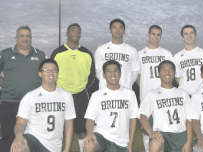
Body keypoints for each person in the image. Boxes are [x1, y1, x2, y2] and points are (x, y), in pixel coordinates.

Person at [10, 59, 76, 152]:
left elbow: (69, 123)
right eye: (47, 70)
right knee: (19, 147)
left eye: (54, 70)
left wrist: (67, 148)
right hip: (34, 139)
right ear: (40, 74)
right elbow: (20, 123)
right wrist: (19, 136)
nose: (51, 73)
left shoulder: (66, 95)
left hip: (54, 145)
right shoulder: (30, 96)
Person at [50, 23, 96, 152]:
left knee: (82, 129)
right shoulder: (58, 52)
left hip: (80, 95)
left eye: (78, 31)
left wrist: (82, 88)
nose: (76, 32)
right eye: (72, 30)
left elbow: (92, 75)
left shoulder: (86, 53)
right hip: (61, 95)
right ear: (67, 33)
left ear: (80, 34)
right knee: (59, 129)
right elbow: (51, 73)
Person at [0, 25, 46, 151]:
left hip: (34, 103)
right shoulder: (5, 54)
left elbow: (47, 76)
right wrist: (4, 84)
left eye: (28, 36)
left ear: (31, 38)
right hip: (10, 102)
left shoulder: (41, 55)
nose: (25, 39)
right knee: (8, 137)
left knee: (34, 136)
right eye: (22, 36)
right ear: (16, 38)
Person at [83, 60, 138, 152]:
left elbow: (133, 119)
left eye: (116, 71)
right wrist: (89, 133)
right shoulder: (97, 95)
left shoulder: (130, 94)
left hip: (121, 140)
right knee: (89, 145)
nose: (113, 74)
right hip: (102, 135)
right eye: (109, 71)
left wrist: (131, 142)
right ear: (104, 75)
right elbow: (90, 119)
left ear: (120, 73)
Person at [139, 60, 192, 152]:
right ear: (158, 73)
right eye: (164, 69)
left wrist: (188, 142)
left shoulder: (183, 94)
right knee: (155, 144)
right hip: (162, 134)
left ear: (174, 73)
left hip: (180, 135)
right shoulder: (152, 94)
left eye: (170, 70)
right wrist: (151, 133)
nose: (167, 72)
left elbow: (189, 120)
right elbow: (143, 115)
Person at [136, 25, 173, 151]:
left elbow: (171, 74)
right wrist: (145, 88)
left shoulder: (166, 54)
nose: (156, 37)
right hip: (147, 98)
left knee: (164, 130)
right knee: (148, 132)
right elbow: (137, 76)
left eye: (158, 34)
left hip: (164, 98)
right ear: (148, 34)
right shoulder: (139, 54)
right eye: (153, 34)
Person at [94, 19, 139, 90]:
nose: (117, 30)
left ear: (124, 31)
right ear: (110, 31)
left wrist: (126, 83)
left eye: (120, 28)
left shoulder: (132, 50)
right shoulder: (101, 49)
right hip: (105, 91)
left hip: (125, 91)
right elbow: (98, 71)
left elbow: (135, 72)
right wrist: (110, 82)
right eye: (114, 27)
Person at [174, 25, 203, 96]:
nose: (189, 36)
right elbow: (177, 77)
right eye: (186, 34)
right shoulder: (177, 57)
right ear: (182, 37)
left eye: (191, 33)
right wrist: (185, 89)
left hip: (202, 94)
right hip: (184, 95)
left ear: (196, 35)